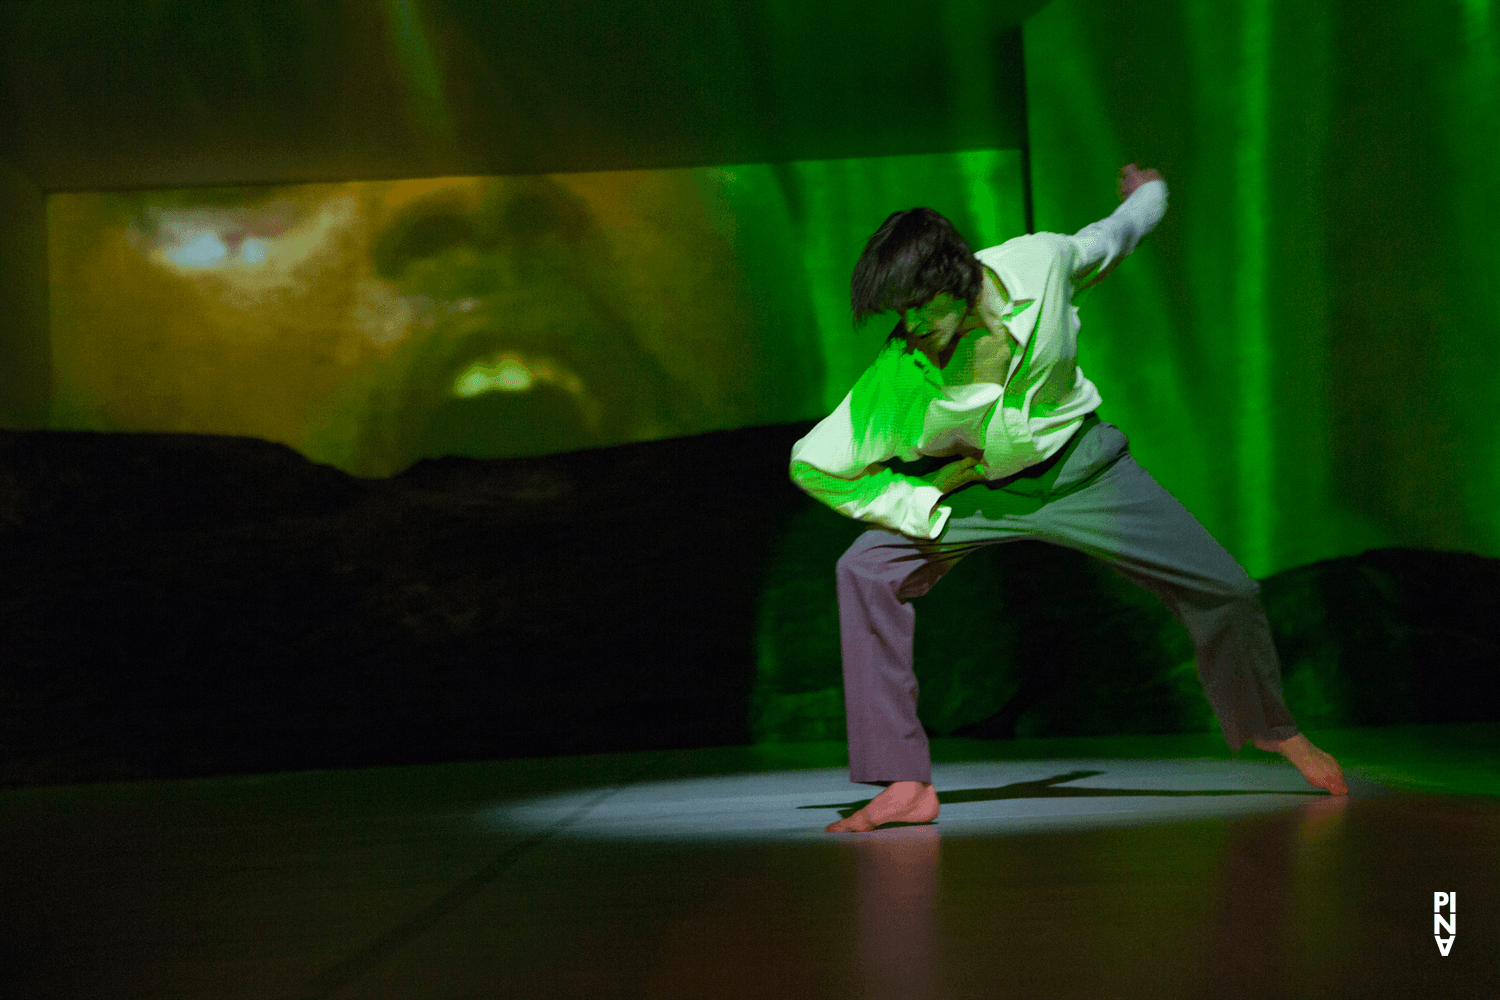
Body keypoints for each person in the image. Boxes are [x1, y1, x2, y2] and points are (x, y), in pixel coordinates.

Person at [789, 164, 1348, 834]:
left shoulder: (1038, 263)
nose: (907, 326)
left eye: (918, 306)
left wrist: (1151, 192)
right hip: (979, 498)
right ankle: (904, 783)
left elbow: (1113, 237)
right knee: (864, 568)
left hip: (1084, 472)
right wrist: (919, 495)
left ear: (954, 276)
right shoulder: (897, 379)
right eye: (895, 313)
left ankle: (1269, 728)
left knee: (1228, 588)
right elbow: (814, 463)